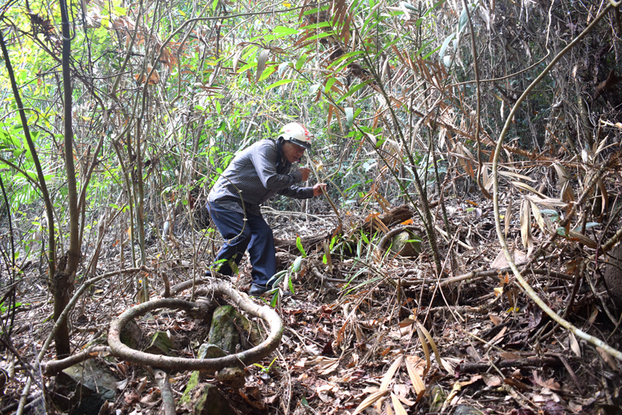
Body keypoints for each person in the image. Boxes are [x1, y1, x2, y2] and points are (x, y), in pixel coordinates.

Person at [206, 122, 327, 296]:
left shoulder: (283, 163)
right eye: (297, 147)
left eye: (303, 150)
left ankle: (263, 286)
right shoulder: (266, 148)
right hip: (225, 199)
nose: (300, 153)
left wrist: (311, 191)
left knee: (263, 234)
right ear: (283, 141)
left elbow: (281, 187)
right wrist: (297, 176)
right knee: (241, 235)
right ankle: (213, 282)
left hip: (247, 205)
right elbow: (270, 181)